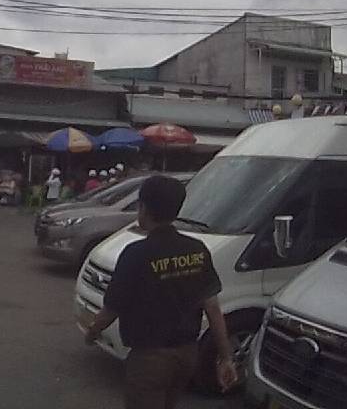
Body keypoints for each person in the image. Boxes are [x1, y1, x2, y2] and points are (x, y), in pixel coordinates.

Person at [83, 175, 235, 408]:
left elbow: (111, 309)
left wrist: (92, 332)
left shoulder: (135, 253)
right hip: (187, 355)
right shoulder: (197, 250)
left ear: (143, 208)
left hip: (149, 360)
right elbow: (213, 309)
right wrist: (225, 358)